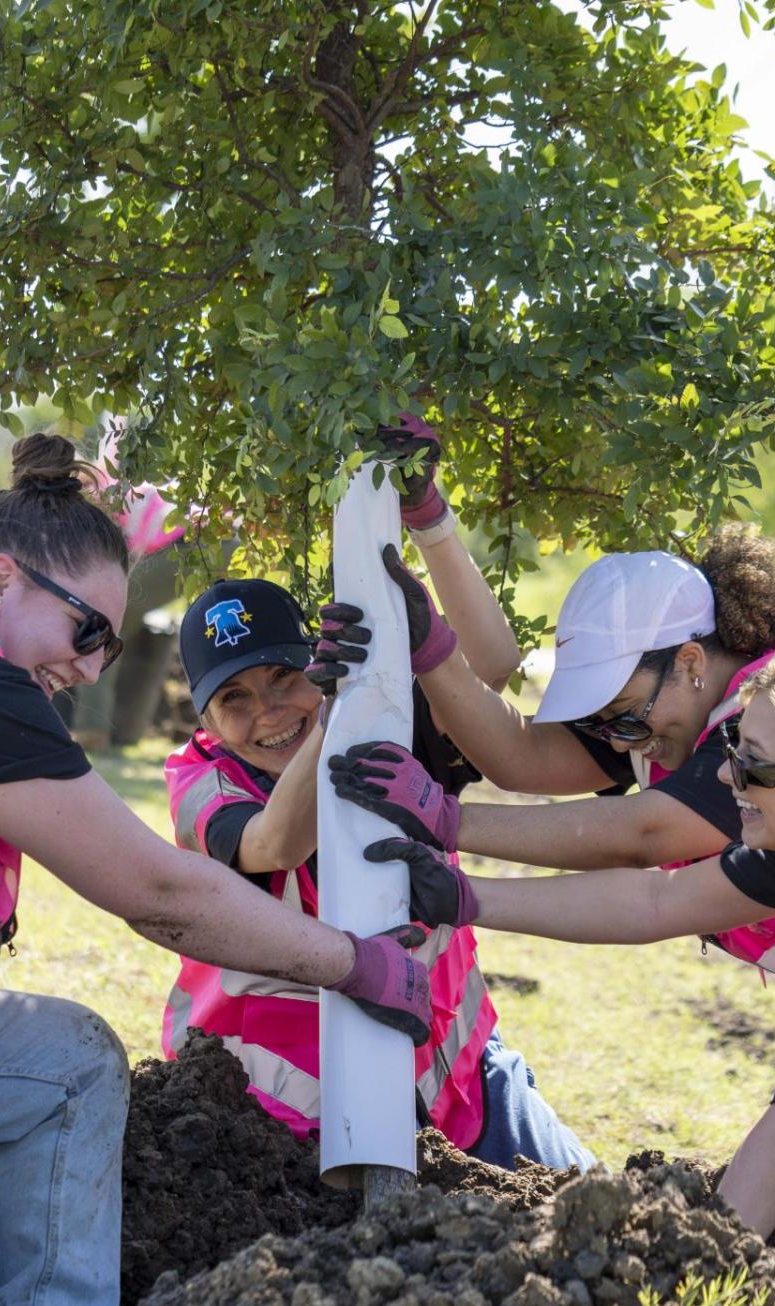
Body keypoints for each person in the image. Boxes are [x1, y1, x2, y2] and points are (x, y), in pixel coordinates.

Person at [0, 432, 430, 1306]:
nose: (94, 671)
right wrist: (350, 961)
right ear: (1, 581)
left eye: (113, 645)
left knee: (75, 1063)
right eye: (88, 631)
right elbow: (156, 891)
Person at [362, 641, 775, 1272]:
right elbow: (658, 902)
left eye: (754, 765)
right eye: (732, 749)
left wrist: (678, 1284)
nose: (727, 777)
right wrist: (463, 895)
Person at [162, 417, 594, 1172]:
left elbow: (491, 668)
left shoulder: (384, 717)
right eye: (234, 700)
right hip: (277, 1115)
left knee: (597, 1202)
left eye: (283, 679)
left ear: (315, 661)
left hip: (461, 1083)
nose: (268, 713)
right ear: (203, 720)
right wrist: (329, 712)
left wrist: (429, 519)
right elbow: (273, 843)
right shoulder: (201, 780)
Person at [321, 527, 775, 977]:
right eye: (602, 721)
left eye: (621, 714)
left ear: (689, 663)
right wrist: (433, 651)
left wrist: (446, 819)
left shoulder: (773, 724)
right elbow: (521, 756)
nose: (618, 741)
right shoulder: (665, 709)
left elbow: (643, 835)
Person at [71, 476, 184, 751]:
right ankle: (123, 731)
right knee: (111, 627)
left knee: (99, 629)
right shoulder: (108, 488)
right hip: (207, 541)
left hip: (191, 546)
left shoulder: (95, 500)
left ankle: (92, 732)